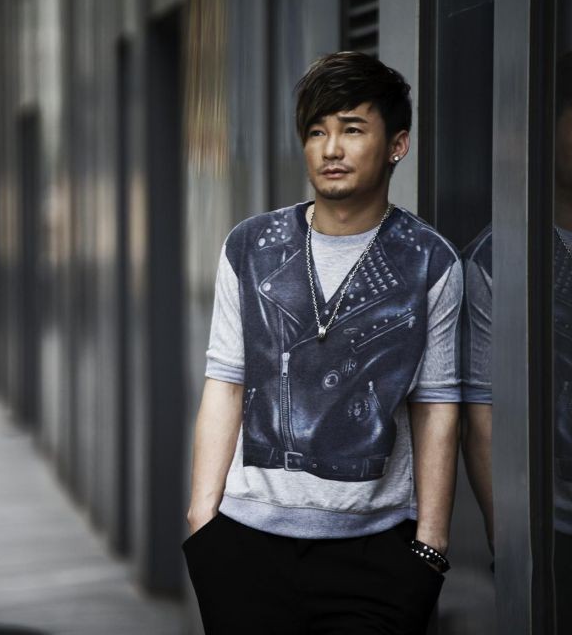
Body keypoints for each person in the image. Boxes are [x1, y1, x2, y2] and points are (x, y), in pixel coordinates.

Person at [183, 51, 463, 635]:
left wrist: (431, 544)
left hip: (375, 551)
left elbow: (436, 403)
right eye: (317, 131)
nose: (331, 148)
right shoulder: (252, 247)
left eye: (352, 129)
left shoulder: (428, 260)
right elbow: (225, 381)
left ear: (398, 144)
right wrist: (202, 518)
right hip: (245, 544)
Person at [462, 47, 572, 634]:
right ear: (547, 134)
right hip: (559, 536)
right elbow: (482, 414)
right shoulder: (501, 258)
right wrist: (507, 545)